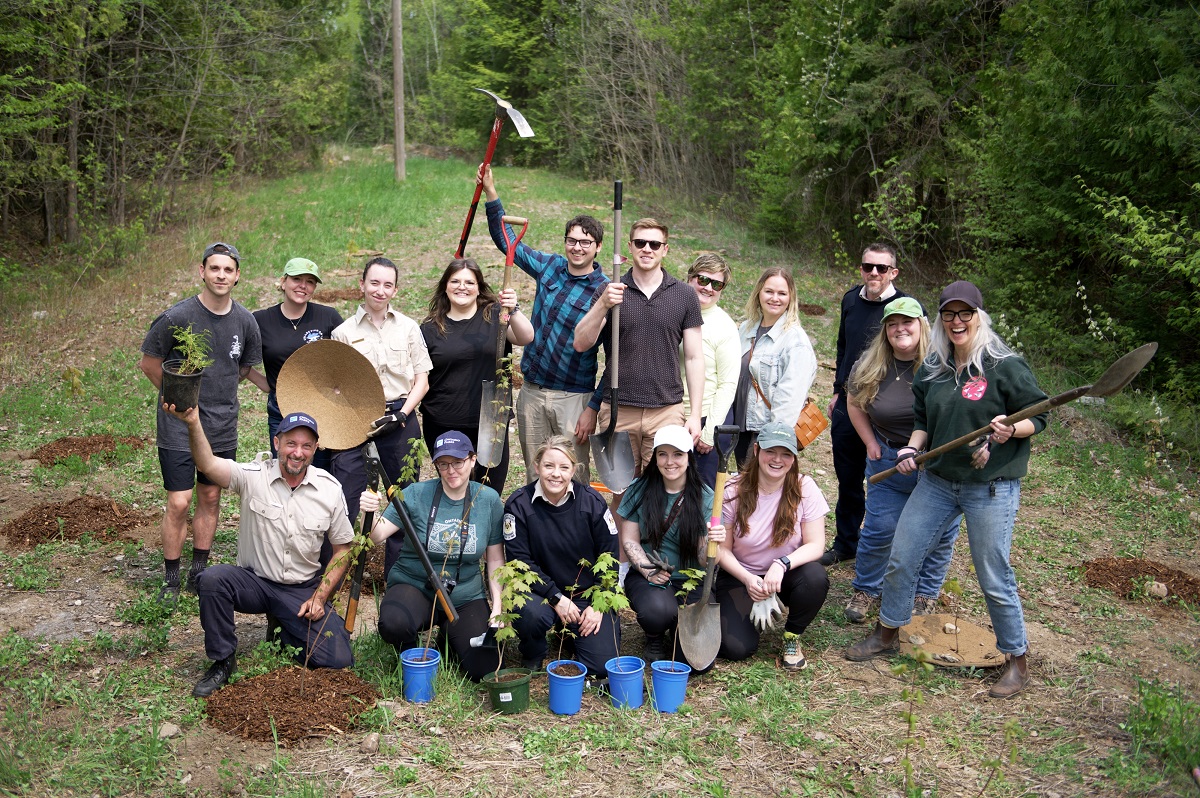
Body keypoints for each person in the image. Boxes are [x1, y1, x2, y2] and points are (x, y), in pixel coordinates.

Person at [846, 281, 1049, 700]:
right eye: (949, 314)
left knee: (993, 575)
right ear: (939, 319)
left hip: (989, 488)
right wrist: (911, 448)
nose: (957, 322)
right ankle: (887, 632)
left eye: (965, 314)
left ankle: (1017, 660)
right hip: (937, 481)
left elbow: (1040, 416)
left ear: (978, 316)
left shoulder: (1003, 364)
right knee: (902, 556)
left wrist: (1011, 429)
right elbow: (922, 421)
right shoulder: (934, 366)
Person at [163, 405, 353, 698]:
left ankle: (284, 624)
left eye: (306, 446)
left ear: (316, 449)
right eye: (291, 443)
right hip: (255, 582)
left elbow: (342, 550)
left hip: (300, 590)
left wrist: (320, 596)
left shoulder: (329, 489)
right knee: (212, 580)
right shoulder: (253, 476)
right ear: (277, 443)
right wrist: (193, 422)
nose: (297, 453)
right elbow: (207, 464)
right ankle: (223, 661)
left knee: (338, 659)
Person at [138, 242, 263, 603]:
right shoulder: (176, 317)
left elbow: (242, 369)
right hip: (178, 425)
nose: (221, 275)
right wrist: (179, 398)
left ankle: (199, 572)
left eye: (228, 270)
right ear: (202, 272)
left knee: (210, 496)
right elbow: (149, 363)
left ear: (237, 276)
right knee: (179, 501)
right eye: (215, 268)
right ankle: (171, 579)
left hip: (221, 425)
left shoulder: (245, 321)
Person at [479, 165, 609, 481]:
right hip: (533, 392)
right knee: (538, 472)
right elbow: (507, 241)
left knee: (571, 475)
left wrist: (592, 407)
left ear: (597, 247)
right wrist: (491, 192)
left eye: (585, 242)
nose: (577, 247)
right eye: (572, 240)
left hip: (573, 398)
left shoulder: (605, 291)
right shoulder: (550, 267)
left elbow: (618, 357)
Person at [843, 297, 961, 623]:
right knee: (880, 528)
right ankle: (867, 588)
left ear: (922, 325)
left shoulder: (943, 366)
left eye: (907, 322)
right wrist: (869, 441)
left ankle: (924, 595)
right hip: (888, 459)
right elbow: (854, 403)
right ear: (885, 330)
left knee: (939, 534)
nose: (899, 329)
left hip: (936, 463)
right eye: (892, 323)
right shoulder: (870, 364)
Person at [359, 431, 505, 683]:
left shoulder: (489, 500)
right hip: (415, 585)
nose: (451, 471)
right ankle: (409, 649)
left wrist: (498, 607)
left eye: (458, 462)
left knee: (484, 668)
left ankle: (449, 635)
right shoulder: (416, 493)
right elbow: (377, 535)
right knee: (394, 623)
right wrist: (367, 512)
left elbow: (494, 559)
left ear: (472, 460)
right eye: (443, 464)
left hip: (464, 594)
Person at [574, 218, 706, 470]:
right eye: (641, 242)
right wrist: (604, 303)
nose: (647, 248)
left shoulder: (684, 295)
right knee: (621, 491)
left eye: (655, 244)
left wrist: (695, 415)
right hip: (618, 409)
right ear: (630, 246)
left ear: (665, 249)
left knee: (659, 489)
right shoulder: (609, 290)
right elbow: (581, 343)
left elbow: (694, 358)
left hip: (666, 410)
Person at [331, 256, 432, 577]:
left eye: (387, 285)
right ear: (361, 285)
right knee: (347, 494)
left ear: (395, 290)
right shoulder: (342, 333)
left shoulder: (408, 328)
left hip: (399, 417)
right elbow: (337, 387)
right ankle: (338, 574)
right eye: (374, 283)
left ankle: (397, 578)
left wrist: (402, 415)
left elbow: (422, 380)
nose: (380, 290)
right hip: (356, 419)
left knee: (403, 497)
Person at [822, 244, 912, 567]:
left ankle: (887, 552)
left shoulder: (906, 309)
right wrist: (836, 389)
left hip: (888, 409)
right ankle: (847, 543)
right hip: (849, 403)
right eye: (868, 266)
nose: (874, 273)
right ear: (861, 268)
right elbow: (843, 345)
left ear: (894, 272)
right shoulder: (850, 300)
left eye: (882, 268)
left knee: (886, 483)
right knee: (848, 478)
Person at [715, 422, 830, 670]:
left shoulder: (805, 488)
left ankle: (792, 636)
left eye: (786, 453)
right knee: (736, 649)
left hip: (786, 573)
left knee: (815, 577)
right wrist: (747, 579)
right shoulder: (732, 490)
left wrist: (782, 564)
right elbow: (722, 550)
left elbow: (816, 545)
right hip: (742, 573)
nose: (778, 460)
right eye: (771, 451)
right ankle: (749, 612)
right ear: (756, 451)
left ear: (794, 457)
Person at [503, 436, 621, 675]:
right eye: (548, 466)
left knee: (600, 667)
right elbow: (519, 562)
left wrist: (598, 604)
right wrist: (555, 597)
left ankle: (568, 634)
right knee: (532, 614)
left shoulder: (592, 502)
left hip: (586, 596)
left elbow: (610, 555)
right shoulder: (519, 504)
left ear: (574, 470)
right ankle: (533, 650)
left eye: (564, 467)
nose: (556, 474)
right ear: (536, 467)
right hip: (542, 595)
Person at [419, 258, 534, 493]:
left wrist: (514, 309)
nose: (462, 287)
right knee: (452, 488)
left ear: (479, 287)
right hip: (443, 420)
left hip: (491, 419)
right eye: (455, 281)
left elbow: (525, 337)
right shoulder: (430, 328)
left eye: (469, 282)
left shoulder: (496, 316)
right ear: (445, 286)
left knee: (488, 490)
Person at [616, 425, 721, 665]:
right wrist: (647, 569)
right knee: (658, 612)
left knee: (694, 666)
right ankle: (654, 634)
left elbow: (705, 560)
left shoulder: (705, 497)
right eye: (662, 454)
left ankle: (677, 632)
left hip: (692, 580)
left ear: (688, 457)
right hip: (649, 578)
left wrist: (713, 542)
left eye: (677, 454)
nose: (669, 461)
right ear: (654, 457)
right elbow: (630, 540)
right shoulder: (639, 489)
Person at [251, 257, 343, 464]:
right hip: (281, 408)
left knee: (319, 472)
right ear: (283, 282)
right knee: (286, 468)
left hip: (323, 407)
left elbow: (347, 359)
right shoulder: (261, 320)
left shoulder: (328, 317)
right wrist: (268, 385)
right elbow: (242, 361)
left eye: (310, 282)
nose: (303, 286)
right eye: (297, 279)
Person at [731, 268, 817, 467]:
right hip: (740, 426)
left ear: (791, 297)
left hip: (765, 431)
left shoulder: (795, 341)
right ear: (759, 293)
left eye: (782, 293)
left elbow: (790, 398)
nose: (775, 298)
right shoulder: (746, 328)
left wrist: (773, 442)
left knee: (761, 489)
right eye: (769, 291)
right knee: (746, 487)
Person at [682, 254, 740, 487]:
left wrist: (709, 432)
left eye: (716, 284)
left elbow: (728, 383)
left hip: (708, 418)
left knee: (701, 495)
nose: (708, 288)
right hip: (672, 413)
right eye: (703, 280)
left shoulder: (724, 326)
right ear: (690, 277)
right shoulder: (674, 311)